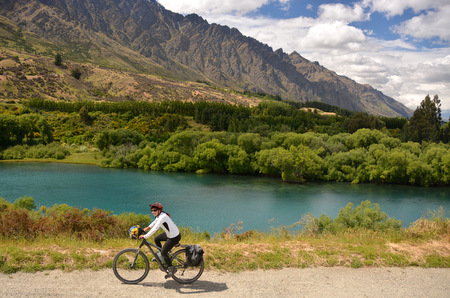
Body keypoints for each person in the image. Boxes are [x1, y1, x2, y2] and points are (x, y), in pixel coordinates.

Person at [139, 202, 181, 276]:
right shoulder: (159, 216)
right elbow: (155, 222)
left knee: (164, 252)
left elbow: (155, 228)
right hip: (169, 234)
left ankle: (171, 268)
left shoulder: (162, 217)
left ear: (159, 210)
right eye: (151, 210)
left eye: (154, 210)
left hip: (174, 237)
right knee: (156, 239)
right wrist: (147, 228)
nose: (153, 212)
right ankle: (161, 257)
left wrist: (145, 236)